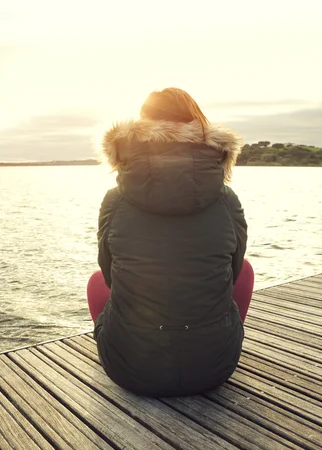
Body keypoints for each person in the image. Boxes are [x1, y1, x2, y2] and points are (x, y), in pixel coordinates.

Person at [87, 87, 253, 397]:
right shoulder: (226, 199)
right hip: (214, 368)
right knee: (245, 270)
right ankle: (218, 340)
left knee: (97, 282)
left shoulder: (115, 200)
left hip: (130, 370)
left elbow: (109, 274)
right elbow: (233, 267)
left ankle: (123, 342)